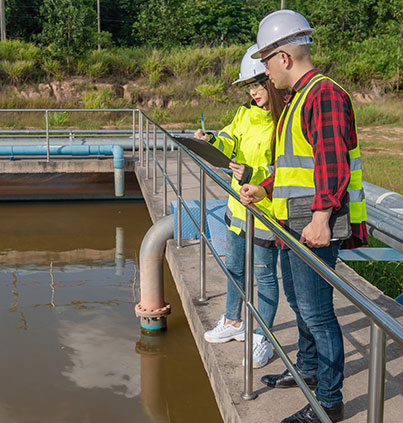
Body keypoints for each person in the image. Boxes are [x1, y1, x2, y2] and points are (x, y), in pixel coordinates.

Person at [240, 10, 367, 423]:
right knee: (300, 301)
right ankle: (309, 371)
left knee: (317, 312)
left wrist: (322, 216)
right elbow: (298, 164)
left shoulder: (322, 95)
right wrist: (266, 187)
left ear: (284, 57)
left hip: (312, 224)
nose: (264, 71)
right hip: (292, 220)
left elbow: (331, 161)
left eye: (265, 60)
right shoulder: (300, 99)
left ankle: (328, 402)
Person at [194, 44, 287, 369]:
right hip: (237, 207)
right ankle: (233, 323)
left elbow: (285, 171)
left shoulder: (284, 121)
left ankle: (264, 338)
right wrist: (211, 141)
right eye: (250, 86)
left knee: (265, 277)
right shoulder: (245, 113)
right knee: (235, 268)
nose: (254, 92)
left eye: (259, 85)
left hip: (265, 212)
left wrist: (252, 173)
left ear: (273, 81)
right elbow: (229, 138)